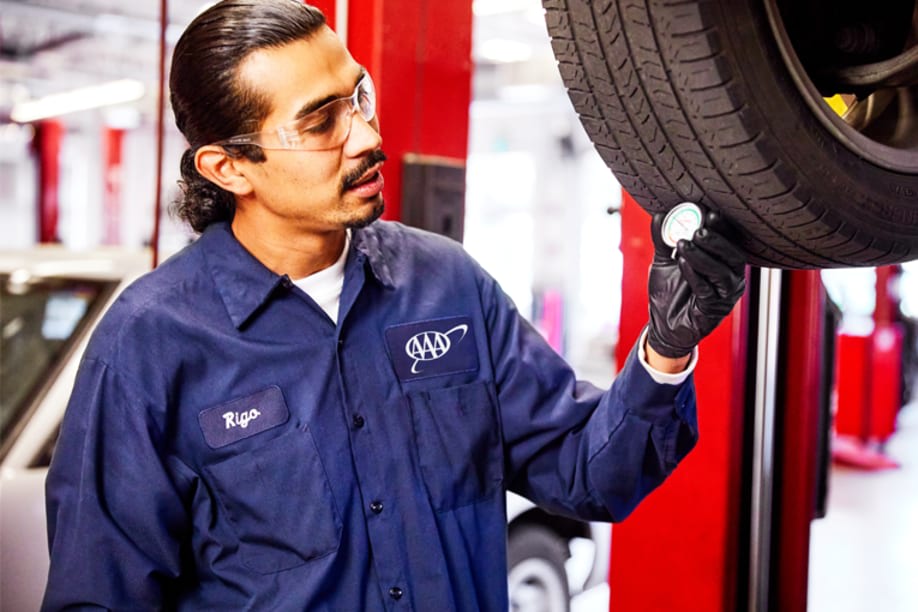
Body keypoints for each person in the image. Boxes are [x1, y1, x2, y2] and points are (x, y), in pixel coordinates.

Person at [41, 0, 746, 609]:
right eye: (321, 124)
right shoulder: (151, 344)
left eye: (359, 99)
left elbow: (590, 475)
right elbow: (103, 594)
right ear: (229, 168)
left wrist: (666, 350)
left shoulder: (447, 285)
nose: (369, 137)